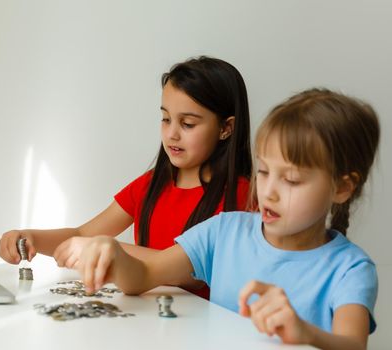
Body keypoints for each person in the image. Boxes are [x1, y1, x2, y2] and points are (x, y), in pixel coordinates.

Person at [69, 88, 380, 349]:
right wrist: (113, 253)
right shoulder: (224, 230)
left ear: (341, 188)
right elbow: (145, 274)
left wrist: (305, 333)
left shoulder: (350, 269)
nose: (268, 192)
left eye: (292, 180)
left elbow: (352, 344)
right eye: (264, 171)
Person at [0, 56, 252, 298]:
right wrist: (30, 237)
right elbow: (83, 233)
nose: (172, 133)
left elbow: (188, 271)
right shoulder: (151, 184)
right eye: (166, 119)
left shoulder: (241, 196)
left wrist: (111, 251)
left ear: (226, 128)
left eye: (187, 123)